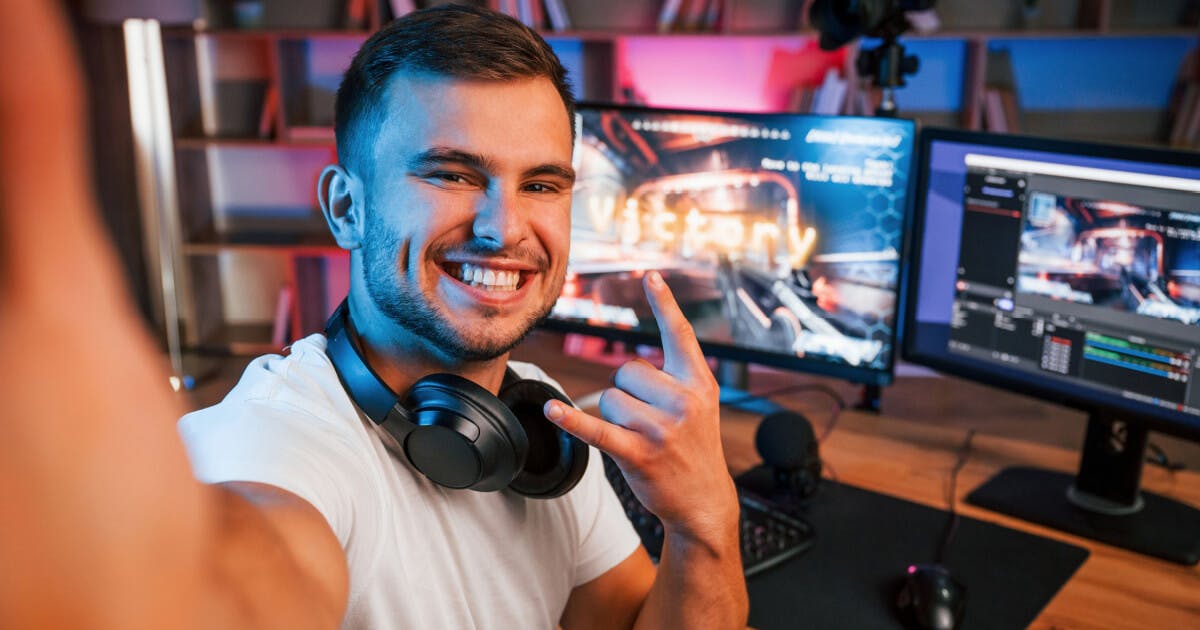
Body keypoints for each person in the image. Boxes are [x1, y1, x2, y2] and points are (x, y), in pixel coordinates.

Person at [2, 2, 747, 628]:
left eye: (542, 185)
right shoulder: (269, 441)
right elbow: (246, 580)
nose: (505, 228)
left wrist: (705, 525)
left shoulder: (536, 419)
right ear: (346, 206)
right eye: (452, 173)